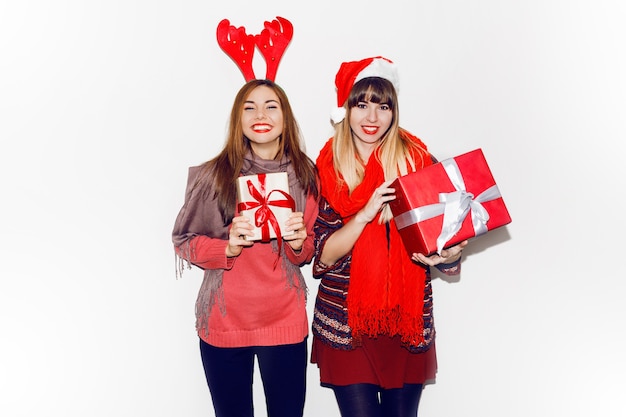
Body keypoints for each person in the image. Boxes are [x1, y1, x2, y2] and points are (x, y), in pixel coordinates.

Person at [310, 56, 469, 417]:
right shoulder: (326, 169)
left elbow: (444, 245)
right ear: (346, 109)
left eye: (383, 106)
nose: (372, 117)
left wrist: (447, 255)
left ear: (394, 111)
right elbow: (322, 256)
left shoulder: (418, 162)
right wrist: (364, 215)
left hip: (406, 323)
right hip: (347, 324)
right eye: (361, 104)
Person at [172, 78, 319, 417]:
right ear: (238, 119)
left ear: (286, 118)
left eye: (271, 105)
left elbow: (307, 249)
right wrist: (227, 247)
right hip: (224, 322)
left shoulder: (306, 175)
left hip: (283, 319)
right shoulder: (214, 176)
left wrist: (298, 243)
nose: (260, 114)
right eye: (248, 107)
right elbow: (184, 240)